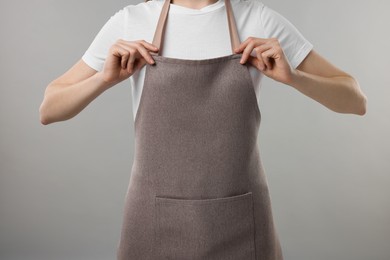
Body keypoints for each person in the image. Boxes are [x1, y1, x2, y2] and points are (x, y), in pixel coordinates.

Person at [39, 0, 367, 259]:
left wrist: (293, 77)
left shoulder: (257, 20)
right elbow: (50, 108)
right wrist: (104, 79)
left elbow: (355, 99)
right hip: (152, 225)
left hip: (242, 228)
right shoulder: (133, 21)